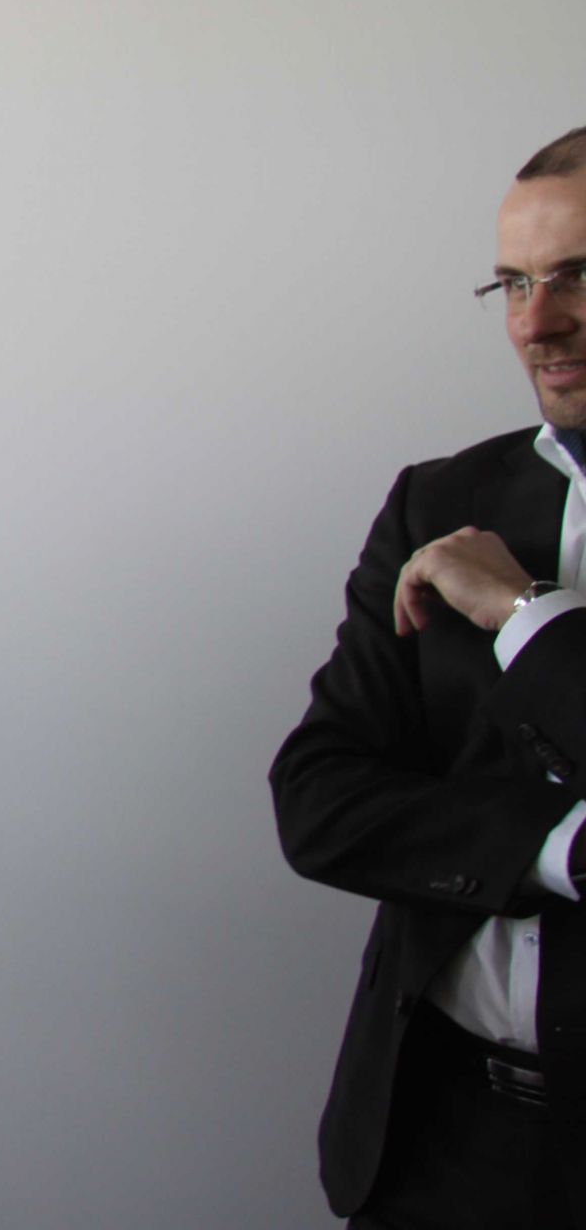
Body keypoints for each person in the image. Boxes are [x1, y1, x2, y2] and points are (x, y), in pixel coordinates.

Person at [273, 123, 586, 1228]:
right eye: (514, 284)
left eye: (579, 275)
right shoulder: (440, 501)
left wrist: (522, 613)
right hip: (439, 1139)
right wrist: (559, 851)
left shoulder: (478, 565)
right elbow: (320, 801)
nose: (536, 324)